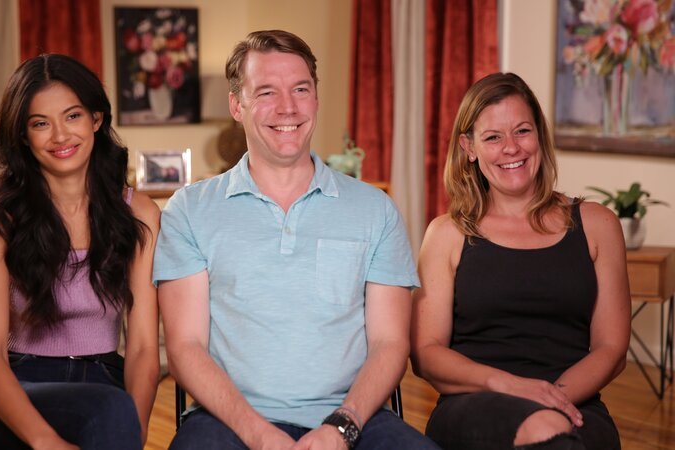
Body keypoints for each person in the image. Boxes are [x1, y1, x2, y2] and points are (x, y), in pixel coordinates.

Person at [153, 30, 439, 450]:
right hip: (227, 420)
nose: (287, 107)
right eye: (266, 91)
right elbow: (185, 347)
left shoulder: (375, 209)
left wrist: (342, 426)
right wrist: (259, 435)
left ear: (316, 99)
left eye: (301, 89)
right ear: (236, 105)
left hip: (352, 417)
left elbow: (390, 343)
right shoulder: (189, 210)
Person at [410, 72, 630, 449]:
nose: (511, 148)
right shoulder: (446, 234)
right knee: (546, 431)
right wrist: (510, 386)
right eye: (493, 137)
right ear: (469, 147)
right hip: (473, 402)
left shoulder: (599, 225)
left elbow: (612, 349)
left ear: (539, 135)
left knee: (553, 429)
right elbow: (426, 354)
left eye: (522, 131)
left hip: (575, 402)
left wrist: (551, 398)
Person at [0, 54, 161, 449]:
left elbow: (142, 348)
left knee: (111, 411)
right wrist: (46, 443)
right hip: (17, 387)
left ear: (96, 119)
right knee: (109, 411)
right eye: (40, 123)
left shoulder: (139, 214)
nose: (60, 136)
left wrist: (135, 432)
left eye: (72, 116)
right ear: (23, 136)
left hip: (104, 384)